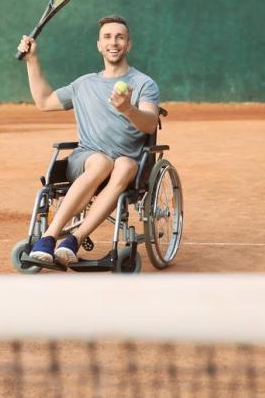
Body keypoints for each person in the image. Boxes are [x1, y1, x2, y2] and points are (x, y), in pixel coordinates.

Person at [16, 15, 160, 266]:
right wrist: (32, 60)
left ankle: (74, 239)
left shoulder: (143, 84)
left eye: (119, 37)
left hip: (128, 164)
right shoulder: (84, 84)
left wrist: (127, 108)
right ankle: (49, 238)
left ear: (128, 44)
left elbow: (149, 122)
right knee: (102, 162)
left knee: (124, 165)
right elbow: (44, 101)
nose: (113, 42)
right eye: (107, 37)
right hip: (87, 159)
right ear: (99, 45)